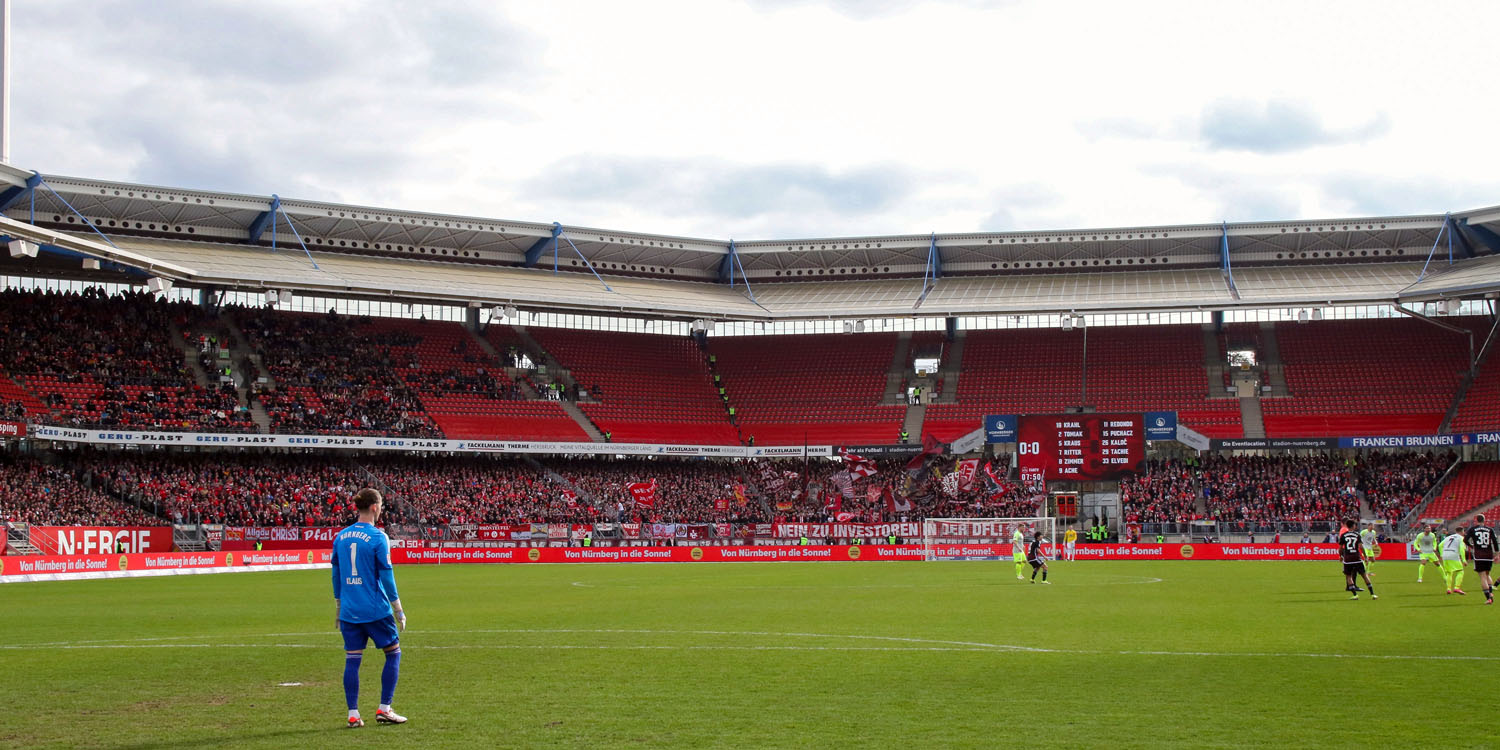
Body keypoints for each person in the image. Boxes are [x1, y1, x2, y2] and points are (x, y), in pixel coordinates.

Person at [332, 488, 408, 728]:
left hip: (349, 611)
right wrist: (398, 610)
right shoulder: (378, 537)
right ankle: (385, 708)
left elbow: (336, 574)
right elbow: (387, 577)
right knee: (393, 653)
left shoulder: (340, 537)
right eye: (381, 504)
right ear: (375, 507)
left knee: (352, 660)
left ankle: (353, 714)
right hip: (375, 609)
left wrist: (338, 605)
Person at [1338, 518, 1376, 601]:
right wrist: (1365, 557)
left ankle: (1355, 595)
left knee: (1348, 576)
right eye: (1355, 525)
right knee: (1364, 575)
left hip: (1348, 558)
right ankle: (1372, 594)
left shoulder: (1343, 536)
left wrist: (1340, 556)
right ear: (1353, 526)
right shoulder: (1357, 535)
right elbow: (1361, 546)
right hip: (1357, 557)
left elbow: (1340, 548)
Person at [1464, 514, 1496, 604]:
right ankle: (1491, 593)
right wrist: (1497, 554)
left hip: (1479, 555)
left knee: (1482, 576)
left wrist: (1472, 546)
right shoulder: (1490, 529)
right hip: (1489, 555)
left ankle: (1489, 598)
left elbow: (1465, 540)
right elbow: (1495, 542)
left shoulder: (1473, 529)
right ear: (1484, 520)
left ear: (1476, 520)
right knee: (1487, 574)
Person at [1438, 524, 1468, 596]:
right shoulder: (1461, 538)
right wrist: (1464, 560)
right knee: (1460, 571)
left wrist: (1442, 554)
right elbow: (1461, 549)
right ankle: (1457, 587)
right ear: (1462, 531)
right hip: (1453, 554)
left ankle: (1448, 589)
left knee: (1449, 573)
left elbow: (1439, 545)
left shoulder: (1448, 537)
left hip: (1445, 555)